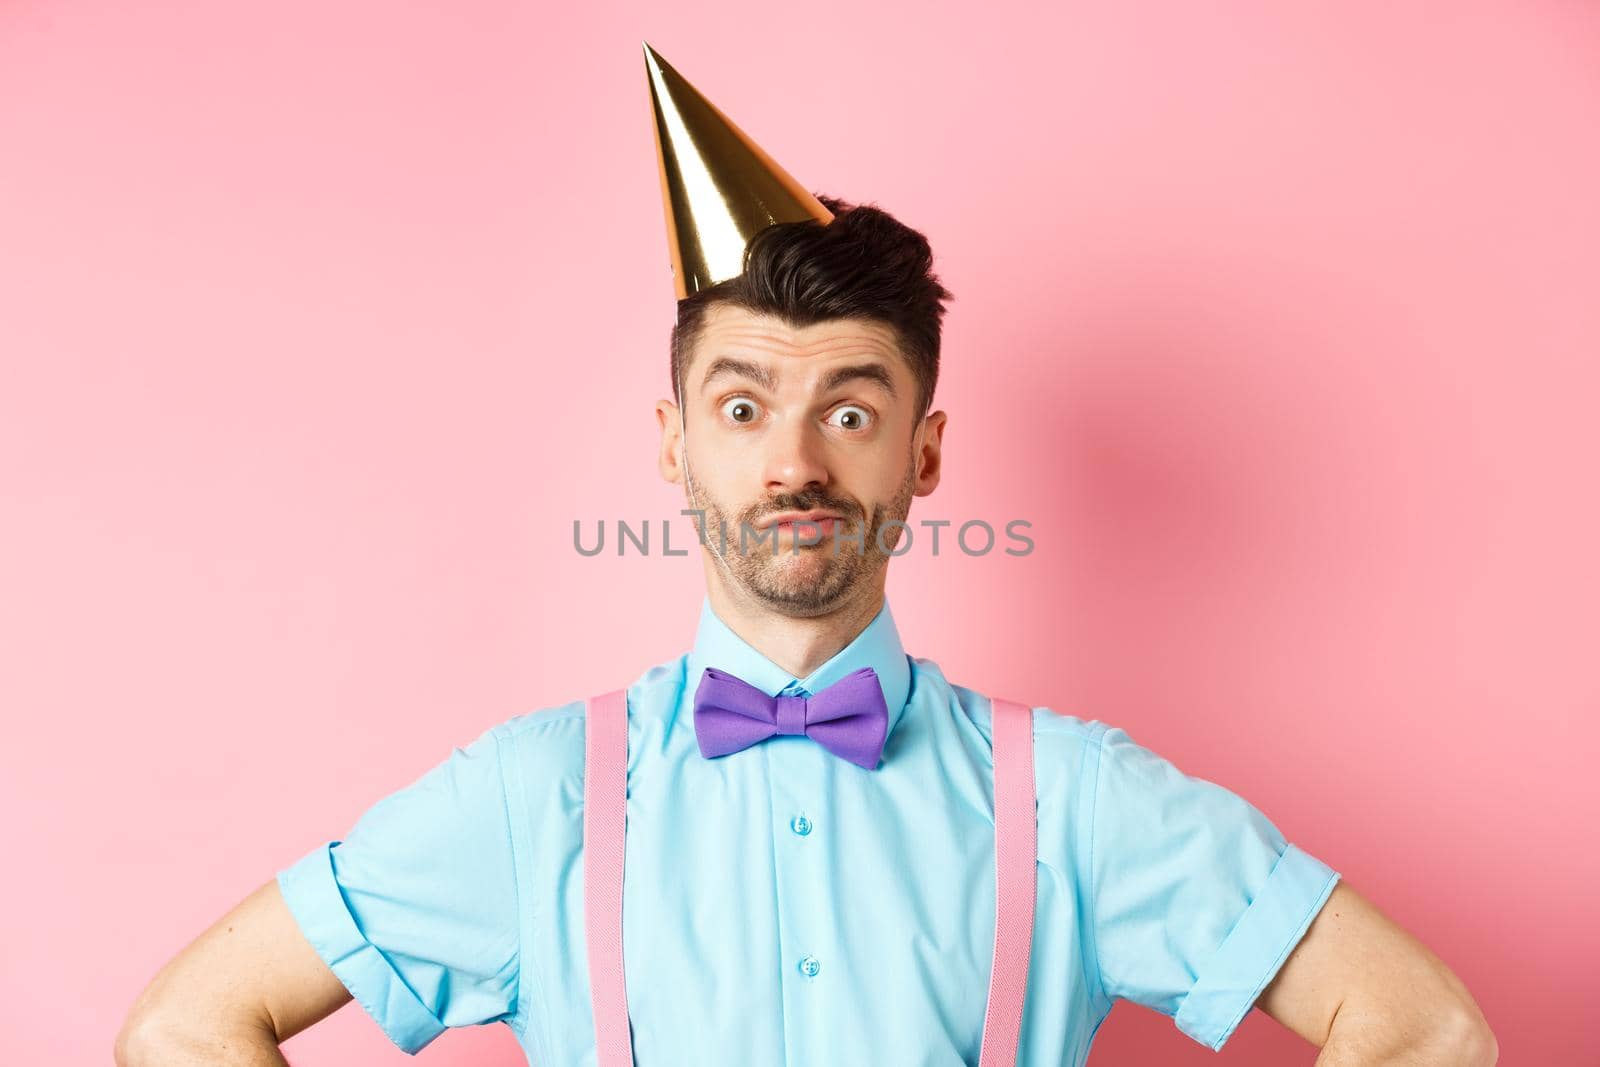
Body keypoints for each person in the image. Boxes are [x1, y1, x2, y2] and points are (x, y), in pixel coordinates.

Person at [115, 43, 1497, 1067]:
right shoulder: (536, 794)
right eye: (742, 407)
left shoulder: (1071, 799)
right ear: (674, 446)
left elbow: (1428, 1029)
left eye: (850, 409)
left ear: (925, 456)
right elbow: (186, 1027)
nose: (794, 464)